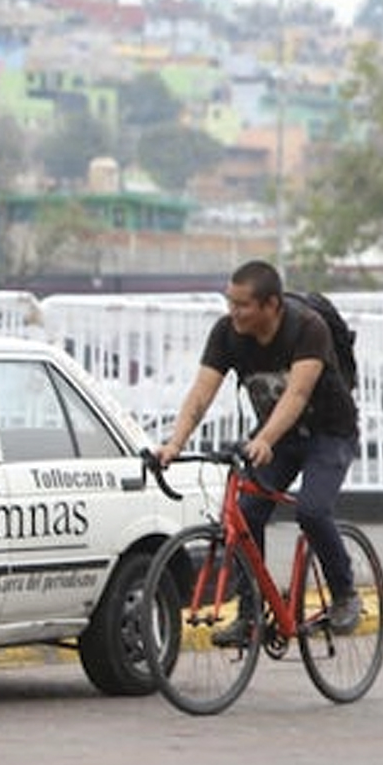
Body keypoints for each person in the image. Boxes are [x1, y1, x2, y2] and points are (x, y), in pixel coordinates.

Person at [156, 260, 362, 645]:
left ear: (271, 305)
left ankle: (345, 593)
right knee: (245, 515)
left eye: (242, 305)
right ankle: (250, 616)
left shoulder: (306, 328)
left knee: (312, 510)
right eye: (229, 302)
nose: (233, 312)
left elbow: (297, 394)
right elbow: (202, 393)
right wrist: (174, 443)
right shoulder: (227, 333)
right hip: (278, 437)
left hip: (329, 433)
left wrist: (265, 438)